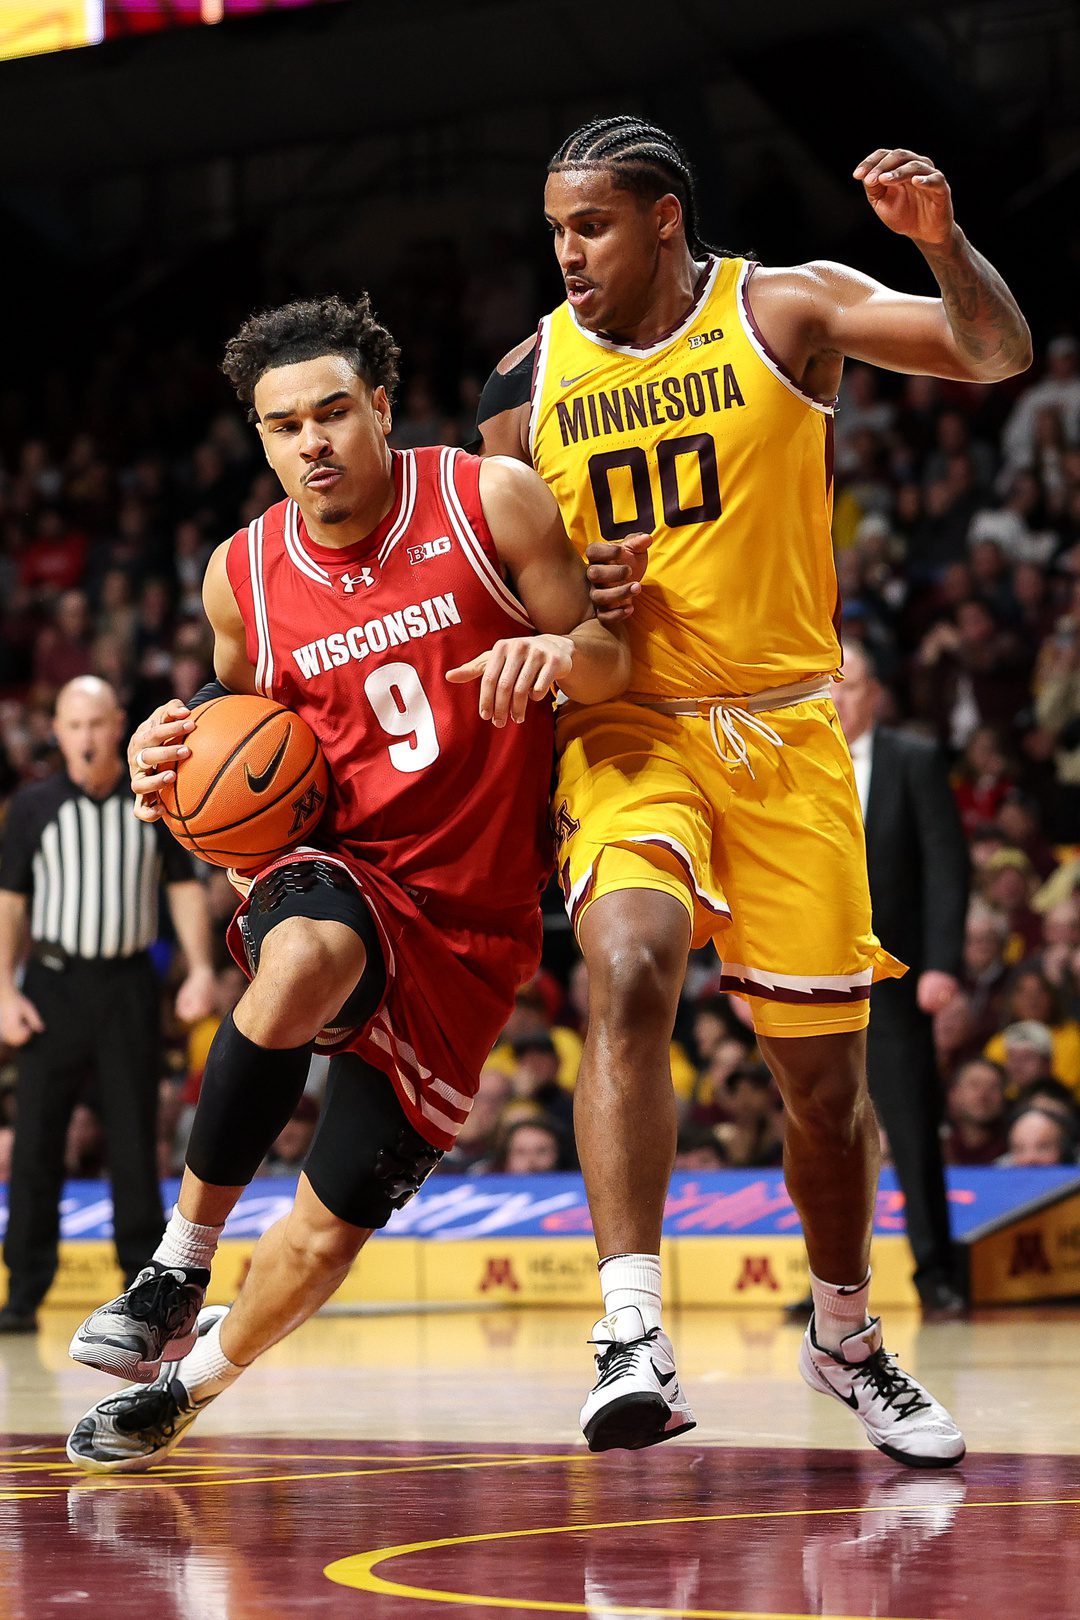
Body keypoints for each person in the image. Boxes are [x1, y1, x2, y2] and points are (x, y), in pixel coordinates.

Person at [478, 116, 1031, 1465]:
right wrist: (569, 603)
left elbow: (994, 351)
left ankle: (846, 1335)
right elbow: (505, 583)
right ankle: (629, 1332)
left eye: (592, 224)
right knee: (623, 964)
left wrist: (943, 246)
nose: (568, 252)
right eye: (555, 228)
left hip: (786, 739)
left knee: (825, 1100)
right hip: (632, 733)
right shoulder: (520, 384)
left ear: (665, 217)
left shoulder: (784, 307)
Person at [65, 293, 629, 1472]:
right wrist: (161, 762)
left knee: (328, 1232)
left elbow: (610, 659)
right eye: (282, 426)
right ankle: (176, 1265)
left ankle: (188, 1387)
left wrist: (557, 654)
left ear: (381, 407)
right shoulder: (243, 578)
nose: (310, 442)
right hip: (343, 870)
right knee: (307, 954)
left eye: (332, 413)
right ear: (261, 441)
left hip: (476, 922)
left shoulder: (488, 502)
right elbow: (233, 749)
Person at [0, 676, 215, 1332]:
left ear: (119, 724)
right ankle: (23, 1294)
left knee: (132, 1137)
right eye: (74, 724)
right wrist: (4, 988)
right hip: (53, 986)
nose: (87, 737)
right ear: (56, 731)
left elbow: (182, 890)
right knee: (37, 1142)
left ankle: (140, 1292)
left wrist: (202, 968)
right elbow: (11, 904)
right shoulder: (34, 807)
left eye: (98, 723)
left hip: (126, 986)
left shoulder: (150, 800)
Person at [831, 642, 969, 1313]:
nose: (837, 699)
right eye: (828, 685)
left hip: (896, 977)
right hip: (810, 978)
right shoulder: (788, 758)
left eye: (850, 687)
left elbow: (947, 867)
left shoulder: (913, 761)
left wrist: (942, 963)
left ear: (875, 694)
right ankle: (827, 1289)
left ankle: (937, 1273)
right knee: (818, 1131)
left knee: (911, 1130)